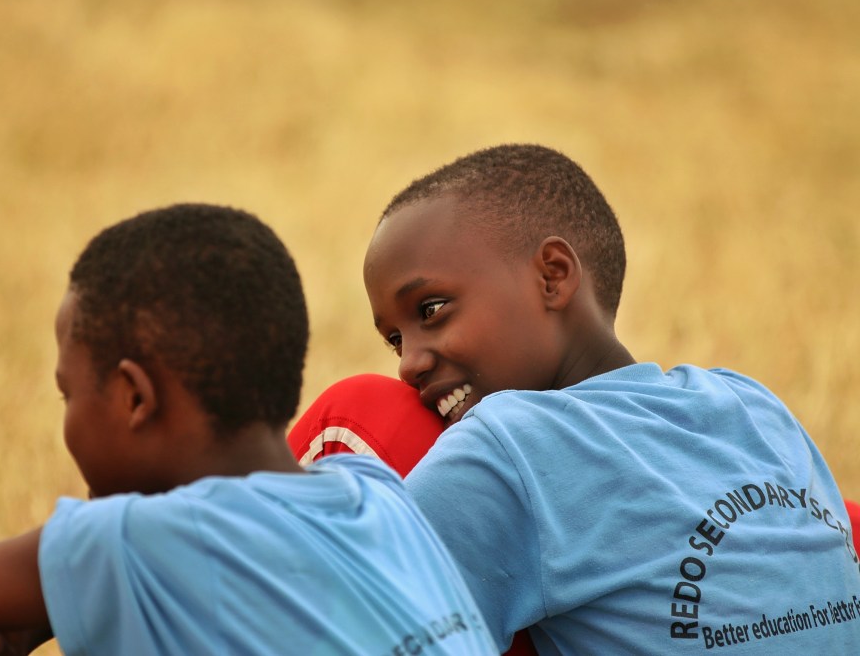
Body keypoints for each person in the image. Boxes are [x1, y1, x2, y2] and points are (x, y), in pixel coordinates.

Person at [0, 203, 499, 655]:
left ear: (133, 398)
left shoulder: (145, 539)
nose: (66, 417)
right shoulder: (373, 488)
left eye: (68, 393)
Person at [288, 144, 860, 654]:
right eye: (394, 340)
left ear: (553, 276)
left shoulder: (508, 447)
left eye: (431, 310)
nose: (408, 362)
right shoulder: (749, 402)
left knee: (357, 411)